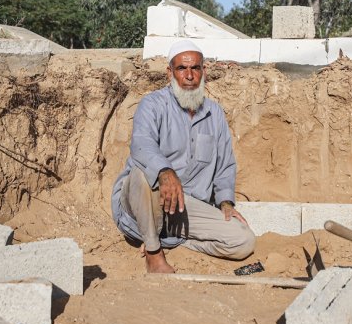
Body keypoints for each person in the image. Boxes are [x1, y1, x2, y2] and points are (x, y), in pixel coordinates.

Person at [110, 40, 256, 273]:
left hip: (185, 208)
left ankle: (169, 239)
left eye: (195, 68)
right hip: (145, 200)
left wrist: (225, 202)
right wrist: (165, 172)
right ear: (170, 72)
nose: (189, 75)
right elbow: (141, 144)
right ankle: (154, 253)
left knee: (243, 241)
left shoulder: (214, 113)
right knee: (142, 174)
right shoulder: (152, 104)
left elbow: (225, 164)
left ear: (203, 71)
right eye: (181, 69)